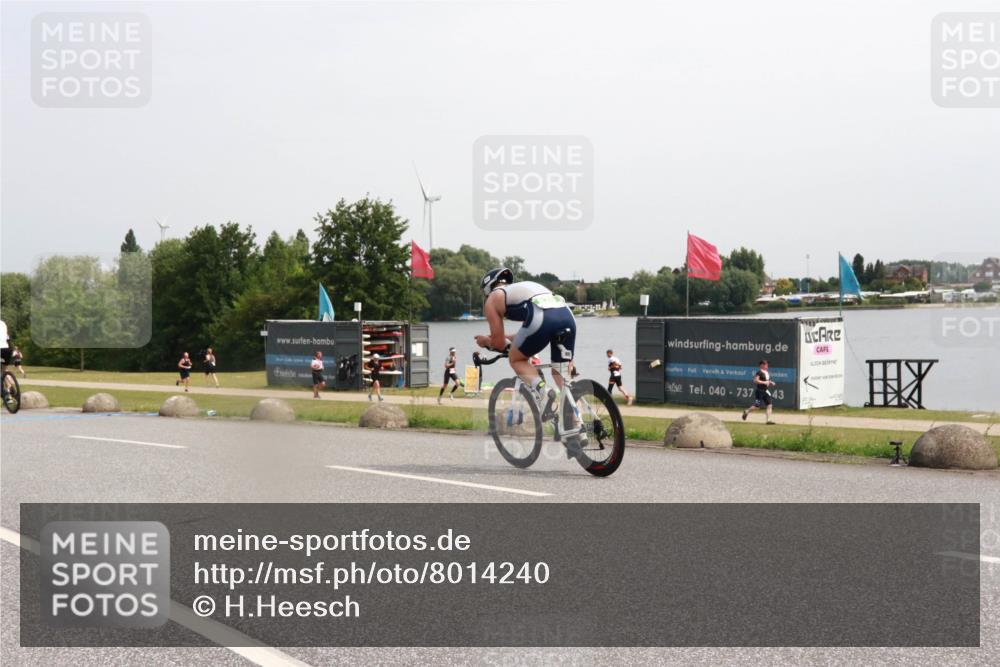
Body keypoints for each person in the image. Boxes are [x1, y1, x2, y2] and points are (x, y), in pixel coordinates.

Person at [475, 267, 582, 456]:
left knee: (516, 359)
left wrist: (485, 342)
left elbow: (499, 343)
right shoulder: (522, 288)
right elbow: (525, 334)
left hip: (541, 318)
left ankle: (543, 390)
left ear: (487, 289)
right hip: (566, 315)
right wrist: (507, 340)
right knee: (561, 374)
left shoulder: (492, 299)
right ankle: (577, 427)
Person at [742, 359, 777, 424]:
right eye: (765, 364)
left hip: (766, 391)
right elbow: (755, 381)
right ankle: (746, 411)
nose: (767, 365)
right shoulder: (759, 372)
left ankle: (768, 420)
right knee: (757, 406)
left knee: (769, 405)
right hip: (760, 391)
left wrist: (770, 382)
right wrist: (765, 382)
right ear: (761, 365)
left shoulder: (766, 372)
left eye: (766, 364)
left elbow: (767, 380)